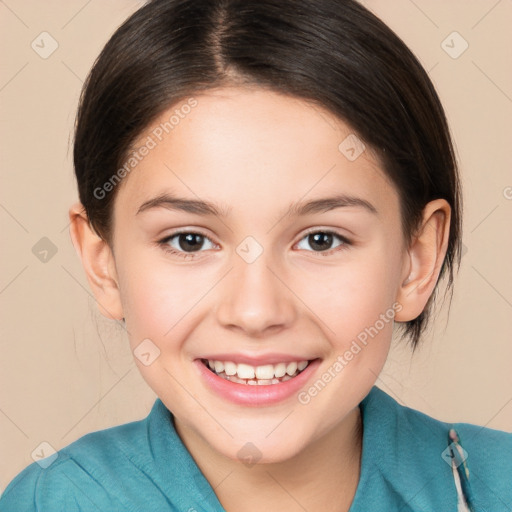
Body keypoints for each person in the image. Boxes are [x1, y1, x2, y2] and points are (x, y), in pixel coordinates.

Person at [1, 0, 510, 511]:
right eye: (189, 240)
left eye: (321, 240)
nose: (255, 311)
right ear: (103, 262)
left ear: (416, 260)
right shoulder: (53, 500)